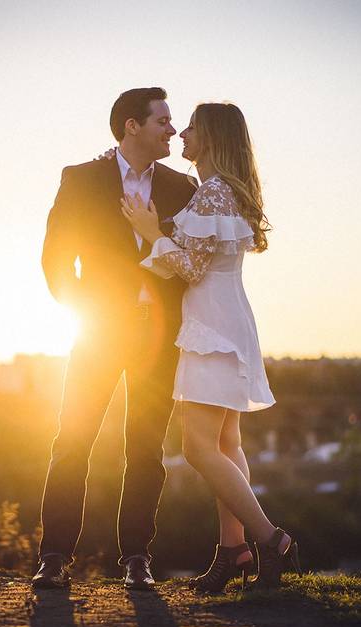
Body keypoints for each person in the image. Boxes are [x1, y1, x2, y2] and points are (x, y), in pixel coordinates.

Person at [120, 102, 298, 590]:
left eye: (193, 127)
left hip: (211, 327)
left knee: (198, 448)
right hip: (228, 319)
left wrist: (152, 232)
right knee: (226, 443)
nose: (183, 133)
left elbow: (193, 270)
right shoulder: (223, 191)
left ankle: (271, 540)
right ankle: (233, 551)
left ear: (213, 137)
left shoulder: (214, 193)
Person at [34, 87, 197, 590]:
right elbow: (54, 258)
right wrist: (85, 310)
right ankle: (55, 557)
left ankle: (137, 560)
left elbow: (191, 265)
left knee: (145, 450)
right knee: (72, 441)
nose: (173, 129)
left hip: (158, 337)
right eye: (163, 120)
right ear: (132, 126)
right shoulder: (81, 179)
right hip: (98, 333)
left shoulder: (182, 187)